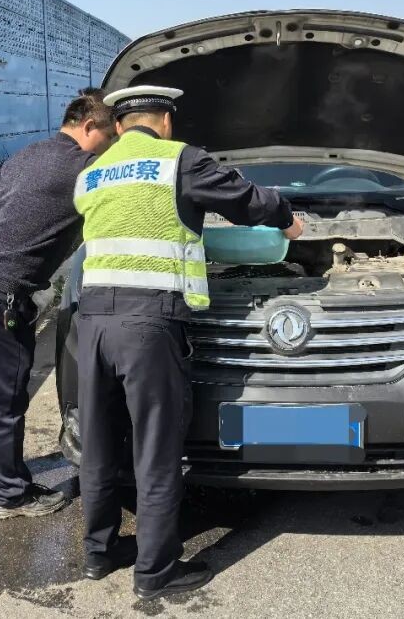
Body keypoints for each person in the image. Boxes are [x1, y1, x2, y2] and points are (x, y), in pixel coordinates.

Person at [73, 85, 303, 599]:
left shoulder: (92, 172)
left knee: (101, 441)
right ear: (166, 121)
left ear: (120, 123)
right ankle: (156, 573)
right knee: (156, 448)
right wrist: (288, 218)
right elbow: (246, 201)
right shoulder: (179, 161)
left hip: (93, 321)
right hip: (147, 325)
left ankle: (98, 552)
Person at [0, 89, 117, 519]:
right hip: (1, 295)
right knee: (5, 398)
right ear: (89, 127)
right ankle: (11, 494)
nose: (110, 145)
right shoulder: (84, 168)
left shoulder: (29, 153)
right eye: (109, 135)